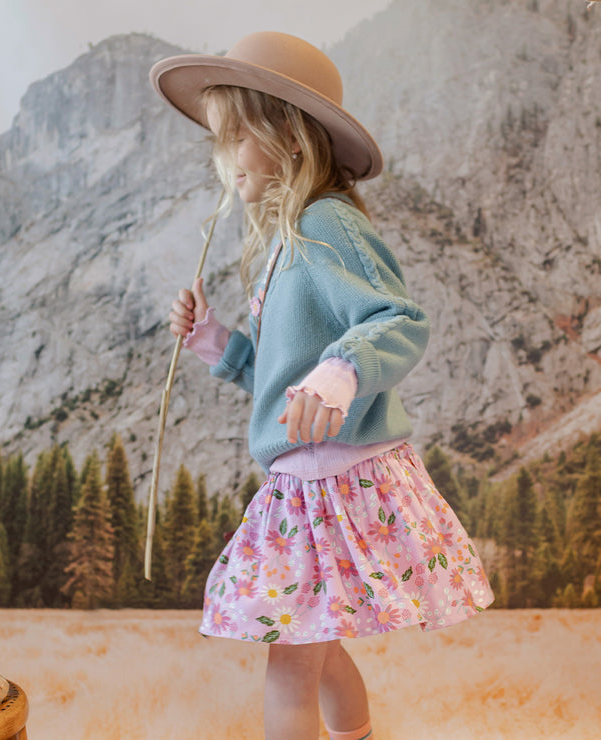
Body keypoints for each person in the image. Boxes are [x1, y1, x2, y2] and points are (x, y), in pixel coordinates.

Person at [152, 31, 494, 740]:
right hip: (307, 482)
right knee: (318, 644)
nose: (224, 158)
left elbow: (397, 321)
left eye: (235, 136)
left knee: (291, 659)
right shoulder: (288, 241)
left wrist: (344, 371)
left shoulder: (324, 224)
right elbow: (286, 383)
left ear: (290, 139)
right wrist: (213, 341)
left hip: (331, 484)